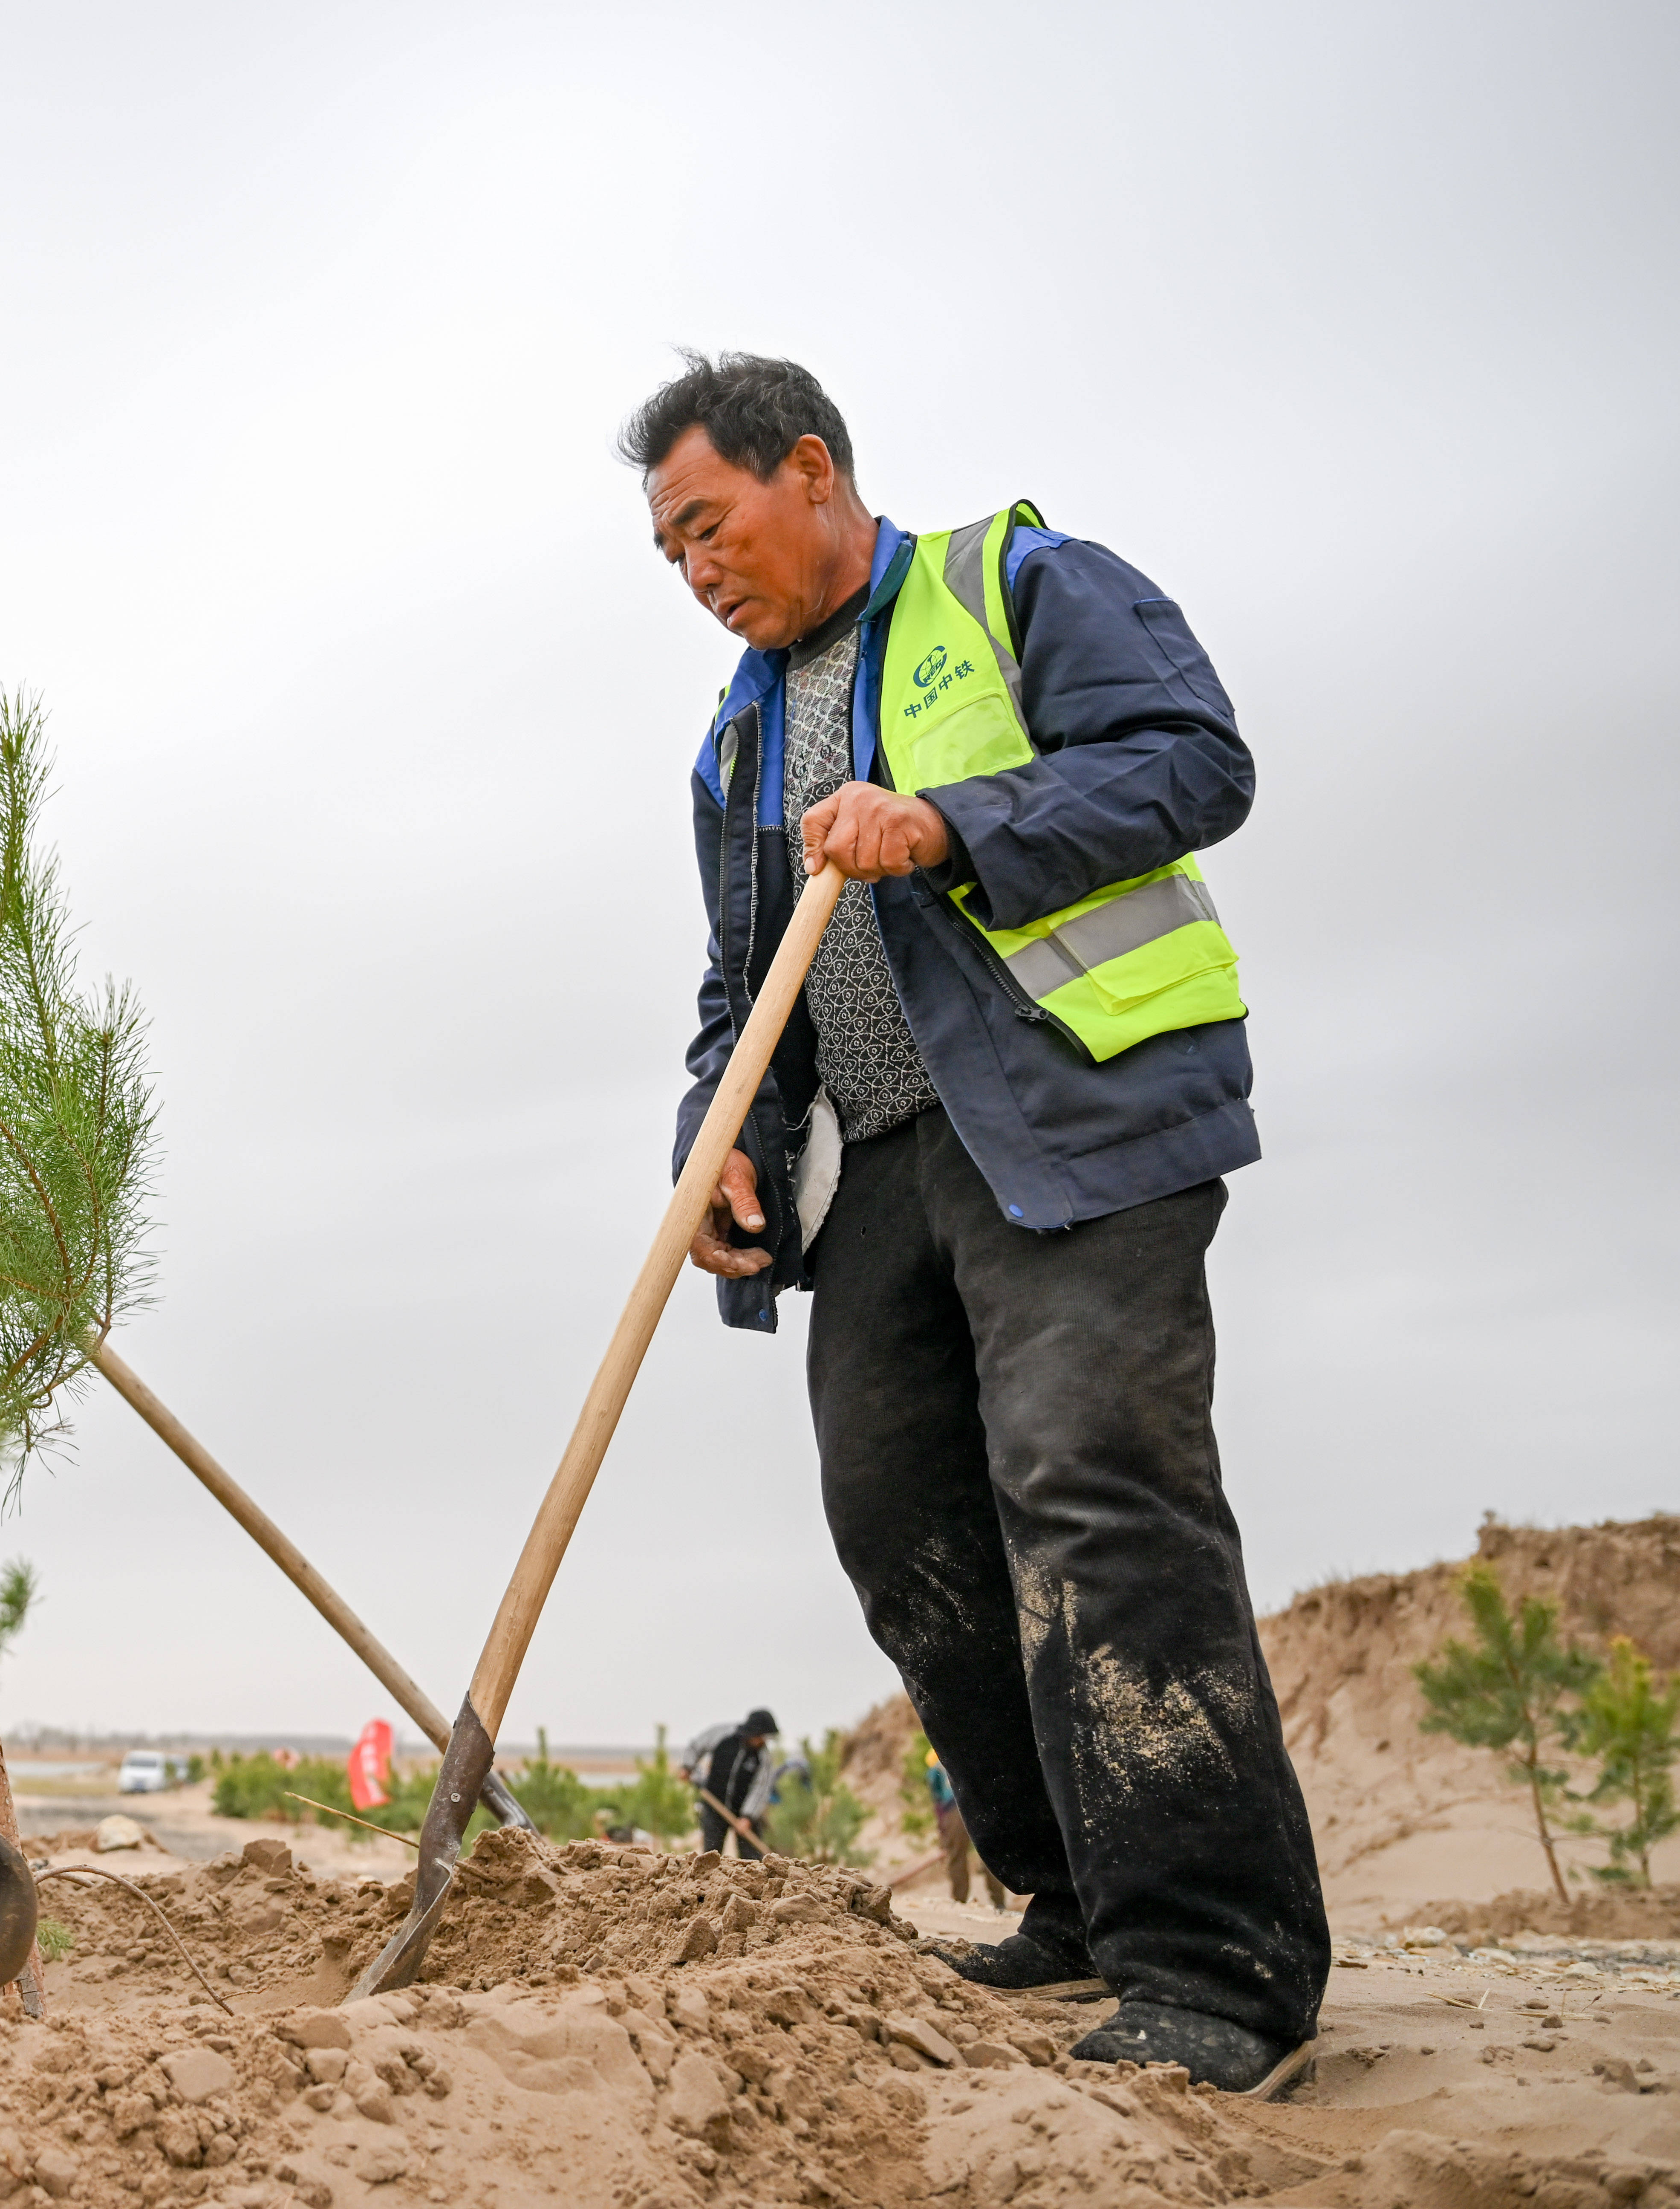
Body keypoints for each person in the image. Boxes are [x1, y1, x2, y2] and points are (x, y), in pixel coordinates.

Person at [626, 352, 1327, 2089]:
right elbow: (739, 988)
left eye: (707, 526)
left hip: (1067, 1124)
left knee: (1092, 1484)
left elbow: (1191, 760)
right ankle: (1073, 1899)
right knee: (900, 1523)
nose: (696, 570)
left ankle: (1213, 1959)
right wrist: (708, 1133)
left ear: (807, 470)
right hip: (869, 1169)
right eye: (668, 554)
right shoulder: (733, 736)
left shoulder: (1009, 585)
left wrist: (950, 819)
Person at [679, 1708, 776, 1859]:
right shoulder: (723, 1735)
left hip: (743, 1811)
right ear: (754, 1732)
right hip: (714, 1804)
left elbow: (761, 1788)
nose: (763, 1741)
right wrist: (687, 1766)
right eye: (762, 1736)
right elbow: (696, 1746)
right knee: (711, 1855)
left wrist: (748, 1817)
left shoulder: (763, 1758)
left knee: (753, 1859)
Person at [929, 1748, 1009, 1911]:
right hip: (979, 1804)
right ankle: (999, 1903)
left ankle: (960, 1901)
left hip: (953, 1809)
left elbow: (937, 1801)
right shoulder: (970, 1754)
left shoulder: (935, 1769)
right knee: (989, 1854)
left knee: (957, 1856)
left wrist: (942, 1827)